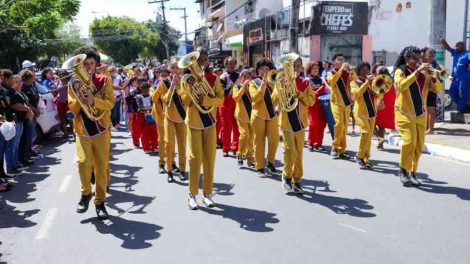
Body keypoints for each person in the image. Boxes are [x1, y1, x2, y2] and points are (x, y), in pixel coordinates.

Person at [68, 47, 114, 219]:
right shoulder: (74, 83)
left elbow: (110, 103)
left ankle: (100, 201)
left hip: (101, 127)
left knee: (102, 167)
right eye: (84, 64)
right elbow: (72, 108)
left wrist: (93, 100)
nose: (87, 67)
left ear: (96, 64)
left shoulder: (104, 80)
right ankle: (86, 192)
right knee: (83, 162)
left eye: (91, 63)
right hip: (82, 129)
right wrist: (81, 99)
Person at [180, 49, 223, 210]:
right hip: (194, 122)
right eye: (199, 60)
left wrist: (205, 99)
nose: (201, 63)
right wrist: (190, 90)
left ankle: (207, 194)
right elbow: (185, 101)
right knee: (194, 159)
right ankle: (192, 194)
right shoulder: (185, 80)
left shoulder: (213, 79)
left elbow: (220, 99)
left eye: (204, 60)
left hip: (210, 122)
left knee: (209, 159)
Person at [393, 46, 443, 187]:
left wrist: (433, 77)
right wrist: (416, 71)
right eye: (414, 58)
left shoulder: (426, 73)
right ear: (407, 58)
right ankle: (403, 170)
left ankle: (412, 172)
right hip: (404, 113)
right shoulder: (400, 71)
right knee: (409, 141)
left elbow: (438, 89)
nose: (417, 60)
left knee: (418, 145)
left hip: (421, 114)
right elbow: (401, 86)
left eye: (419, 58)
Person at [273, 55, 315, 194]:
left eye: (298, 66)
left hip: (300, 122)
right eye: (292, 66)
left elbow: (311, 101)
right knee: (289, 150)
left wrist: (300, 95)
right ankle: (286, 176)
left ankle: (297, 180)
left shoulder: (305, 82)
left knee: (299, 153)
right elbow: (273, 100)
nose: (295, 69)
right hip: (286, 121)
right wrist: (281, 88)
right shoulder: (280, 81)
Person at [351, 62, 389, 169]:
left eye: (367, 70)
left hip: (372, 112)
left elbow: (380, 95)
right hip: (359, 112)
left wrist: (377, 88)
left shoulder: (372, 82)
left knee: (368, 136)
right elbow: (356, 95)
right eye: (363, 70)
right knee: (365, 132)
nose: (366, 72)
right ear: (359, 72)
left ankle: (366, 159)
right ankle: (359, 156)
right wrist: (366, 83)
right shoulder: (354, 82)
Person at [249, 58, 279, 177]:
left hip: (272, 115)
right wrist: (262, 85)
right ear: (258, 71)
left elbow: (276, 99)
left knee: (274, 140)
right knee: (259, 141)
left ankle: (270, 162)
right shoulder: (253, 83)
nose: (265, 71)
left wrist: (281, 86)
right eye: (262, 69)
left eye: (267, 69)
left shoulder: (274, 83)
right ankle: (259, 165)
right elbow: (255, 98)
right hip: (258, 115)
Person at [160, 57, 187, 183]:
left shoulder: (186, 81)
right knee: (169, 144)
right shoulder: (164, 82)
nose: (176, 70)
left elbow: (186, 99)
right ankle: (169, 170)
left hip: (182, 117)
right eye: (173, 67)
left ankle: (182, 170)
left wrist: (180, 85)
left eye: (178, 67)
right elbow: (165, 100)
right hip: (169, 117)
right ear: (170, 69)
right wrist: (172, 86)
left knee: (182, 145)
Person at [327, 53, 357, 159]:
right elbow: (332, 82)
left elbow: (355, 80)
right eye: (339, 59)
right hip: (336, 102)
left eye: (343, 59)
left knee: (344, 127)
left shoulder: (347, 72)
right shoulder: (330, 72)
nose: (342, 61)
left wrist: (351, 71)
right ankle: (334, 147)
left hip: (347, 102)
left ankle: (342, 149)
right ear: (334, 62)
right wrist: (340, 71)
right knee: (339, 124)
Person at [4, 73, 34, 175]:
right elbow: (15, 105)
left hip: (20, 121)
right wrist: (28, 109)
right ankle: (11, 167)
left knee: (15, 145)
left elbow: (23, 102)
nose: (18, 83)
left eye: (19, 81)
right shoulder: (10, 92)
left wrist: (28, 109)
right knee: (12, 146)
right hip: (14, 121)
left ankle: (15, 164)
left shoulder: (16, 92)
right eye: (16, 81)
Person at [232, 70, 254, 167]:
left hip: (252, 114)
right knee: (245, 135)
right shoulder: (237, 86)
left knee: (251, 137)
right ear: (241, 78)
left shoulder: (253, 87)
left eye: (248, 76)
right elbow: (236, 98)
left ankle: (250, 158)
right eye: (244, 77)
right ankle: (239, 154)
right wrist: (243, 87)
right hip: (241, 115)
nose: (246, 79)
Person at [219, 57, 240, 157]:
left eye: (233, 63)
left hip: (236, 103)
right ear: (226, 65)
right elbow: (223, 92)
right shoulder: (222, 77)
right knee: (226, 127)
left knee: (237, 126)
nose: (231, 65)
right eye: (229, 63)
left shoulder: (239, 76)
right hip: (225, 104)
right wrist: (232, 85)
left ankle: (236, 147)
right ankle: (226, 148)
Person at [305, 61, 328, 151]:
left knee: (322, 124)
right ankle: (311, 142)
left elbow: (326, 91)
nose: (315, 70)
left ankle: (318, 143)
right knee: (313, 124)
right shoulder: (307, 80)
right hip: (311, 106)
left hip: (321, 105)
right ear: (309, 70)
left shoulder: (321, 80)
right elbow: (307, 93)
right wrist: (318, 91)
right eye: (313, 69)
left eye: (317, 68)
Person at [440, 38, 469, 112]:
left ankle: (462, 109)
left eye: (458, 46)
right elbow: (448, 48)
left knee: (463, 94)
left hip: (464, 78)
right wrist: (443, 42)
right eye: (456, 46)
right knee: (452, 92)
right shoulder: (455, 52)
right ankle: (464, 107)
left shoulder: (467, 53)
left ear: (462, 46)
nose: (456, 47)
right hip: (455, 78)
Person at [373, 65, 396, 150]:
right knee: (381, 125)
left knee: (371, 123)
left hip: (379, 104)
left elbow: (378, 92)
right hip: (388, 105)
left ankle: (379, 138)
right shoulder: (390, 80)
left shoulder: (379, 80)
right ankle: (380, 144)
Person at [19, 70, 39, 164]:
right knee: (28, 135)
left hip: (34, 112)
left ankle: (29, 151)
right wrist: (34, 109)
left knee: (31, 134)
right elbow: (27, 102)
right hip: (29, 113)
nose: (34, 78)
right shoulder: (23, 88)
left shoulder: (31, 86)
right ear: (28, 78)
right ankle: (25, 155)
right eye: (32, 77)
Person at [421, 48, 440, 134]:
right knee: (425, 109)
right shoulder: (422, 64)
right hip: (423, 89)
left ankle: (431, 129)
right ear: (426, 56)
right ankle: (426, 128)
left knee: (431, 110)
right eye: (429, 55)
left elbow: (438, 77)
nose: (430, 57)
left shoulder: (435, 64)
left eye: (432, 55)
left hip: (432, 89)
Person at [136, 82, 158, 153]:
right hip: (143, 118)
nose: (146, 91)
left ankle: (155, 146)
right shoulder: (139, 97)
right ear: (141, 89)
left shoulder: (151, 96)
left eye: (147, 89)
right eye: (144, 89)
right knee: (145, 134)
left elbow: (155, 106)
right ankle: (146, 148)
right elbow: (139, 108)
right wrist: (146, 109)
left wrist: (149, 108)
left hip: (152, 117)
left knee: (154, 133)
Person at [56, 69, 71, 137]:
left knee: (70, 117)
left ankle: (74, 132)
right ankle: (65, 133)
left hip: (67, 102)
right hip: (60, 102)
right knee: (62, 118)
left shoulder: (69, 82)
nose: (62, 76)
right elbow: (57, 91)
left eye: (64, 74)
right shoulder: (58, 81)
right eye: (61, 74)